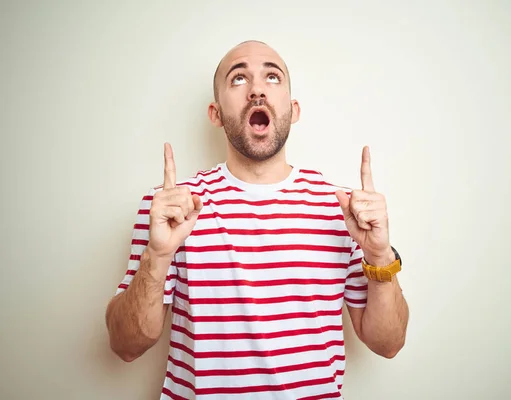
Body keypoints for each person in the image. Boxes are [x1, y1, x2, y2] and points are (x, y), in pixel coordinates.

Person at [105, 40, 409, 400]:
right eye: (238, 79)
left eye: (272, 76)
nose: (257, 89)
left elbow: (388, 344)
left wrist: (379, 256)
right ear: (215, 113)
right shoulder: (173, 209)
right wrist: (156, 258)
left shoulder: (342, 209)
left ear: (293, 109)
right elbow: (126, 346)